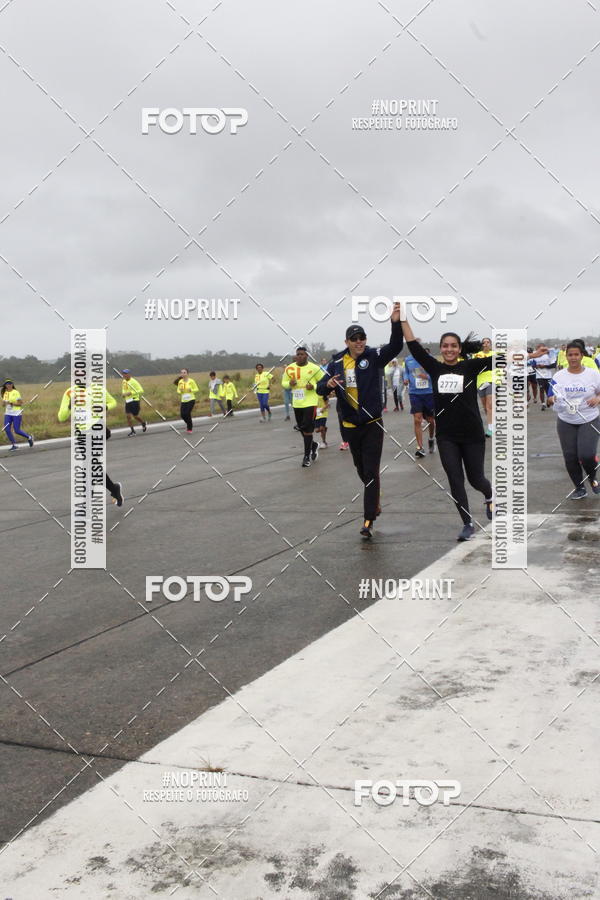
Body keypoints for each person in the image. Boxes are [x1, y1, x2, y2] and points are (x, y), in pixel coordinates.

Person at [400, 313, 493, 541]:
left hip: (472, 434)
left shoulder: (471, 367)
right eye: (445, 346)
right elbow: (413, 346)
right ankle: (467, 523)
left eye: (453, 346)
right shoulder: (434, 368)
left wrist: (531, 353)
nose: (449, 349)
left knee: (476, 479)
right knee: (455, 478)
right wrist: (402, 318)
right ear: (441, 348)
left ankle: (490, 496)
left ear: (460, 349)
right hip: (447, 436)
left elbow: (502, 358)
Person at [317, 302, 403, 538]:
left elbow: (396, 345)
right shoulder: (335, 363)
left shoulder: (373, 356)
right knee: (363, 471)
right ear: (347, 342)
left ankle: (368, 520)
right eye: (354, 339)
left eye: (362, 338)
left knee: (372, 472)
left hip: (372, 424)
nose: (359, 342)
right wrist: (328, 385)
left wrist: (395, 323)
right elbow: (319, 388)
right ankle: (374, 499)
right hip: (350, 426)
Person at [548, 342, 600, 499]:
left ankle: (592, 478)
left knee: (586, 454)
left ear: (582, 356)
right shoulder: (559, 376)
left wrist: (597, 399)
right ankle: (579, 488)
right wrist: (553, 399)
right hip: (566, 420)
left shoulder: (593, 374)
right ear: (566, 356)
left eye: (576, 354)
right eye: (570, 355)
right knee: (570, 456)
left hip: (589, 418)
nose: (573, 358)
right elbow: (550, 397)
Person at [58, 383, 123, 505]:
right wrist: (69, 405)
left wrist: (105, 407)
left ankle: (88, 499)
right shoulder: (69, 392)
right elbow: (61, 417)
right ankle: (114, 488)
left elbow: (113, 402)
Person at [282, 348, 323, 467]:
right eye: (297, 354)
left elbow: (323, 382)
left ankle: (306, 456)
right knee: (302, 428)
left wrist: (314, 386)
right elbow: (283, 382)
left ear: (307, 356)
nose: (299, 356)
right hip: (297, 403)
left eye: (302, 354)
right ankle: (314, 445)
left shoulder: (314, 368)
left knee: (307, 429)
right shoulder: (290, 368)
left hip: (310, 402)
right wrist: (289, 384)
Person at [403, 341, 436, 458]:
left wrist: (426, 377)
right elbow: (406, 372)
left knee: (431, 420)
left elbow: (436, 374)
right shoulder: (408, 360)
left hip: (428, 393)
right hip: (414, 393)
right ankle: (420, 448)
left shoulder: (429, 358)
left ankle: (431, 438)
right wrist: (406, 379)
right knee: (417, 420)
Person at [2, 380, 34, 450]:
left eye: (10, 384)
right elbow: (3, 405)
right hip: (8, 414)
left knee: (17, 430)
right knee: (7, 429)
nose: (8, 385)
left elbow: (20, 403)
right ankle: (14, 445)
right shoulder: (5, 393)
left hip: (16, 413)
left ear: (12, 385)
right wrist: (4, 403)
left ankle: (29, 437)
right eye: (7, 384)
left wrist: (11, 403)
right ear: (5, 385)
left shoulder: (16, 392)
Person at [121, 369, 147, 436]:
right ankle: (133, 431)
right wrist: (123, 394)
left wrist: (131, 393)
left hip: (134, 400)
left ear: (129, 374)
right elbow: (124, 389)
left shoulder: (134, 382)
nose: (124, 375)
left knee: (135, 416)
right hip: (128, 401)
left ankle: (143, 423)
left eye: (126, 374)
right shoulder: (124, 381)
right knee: (128, 416)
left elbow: (141, 390)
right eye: (123, 374)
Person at [175, 368, 198, 433]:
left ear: (187, 374)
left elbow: (196, 389)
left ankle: (189, 428)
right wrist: (180, 391)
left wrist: (191, 390)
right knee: (182, 415)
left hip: (191, 399)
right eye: (181, 373)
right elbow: (178, 390)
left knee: (187, 413)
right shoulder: (180, 382)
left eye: (184, 372)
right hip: (184, 400)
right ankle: (189, 423)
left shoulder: (191, 381)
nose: (183, 374)